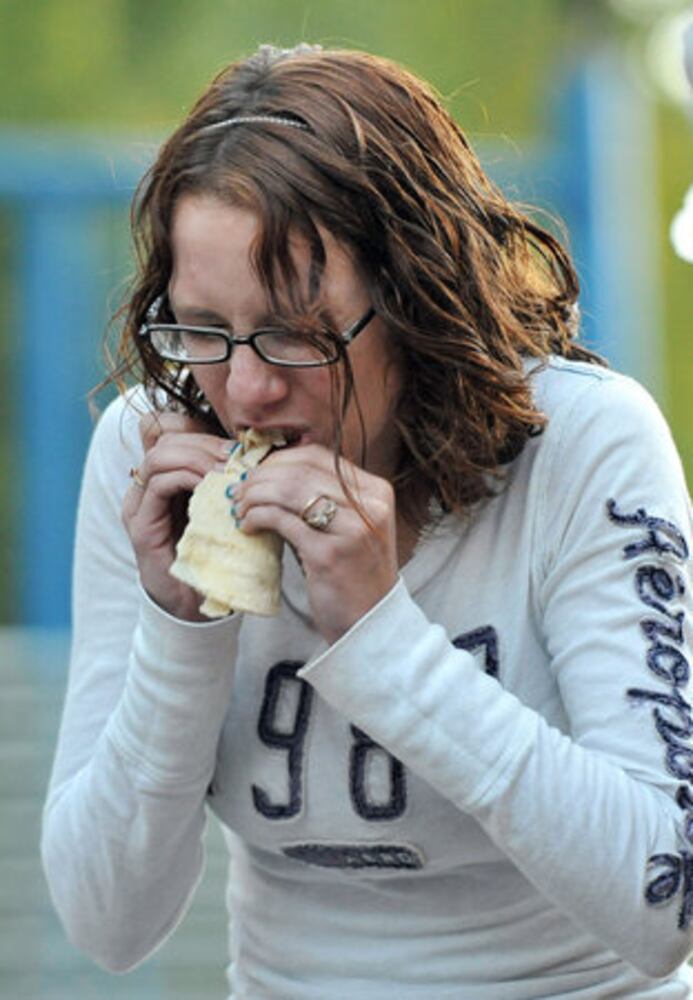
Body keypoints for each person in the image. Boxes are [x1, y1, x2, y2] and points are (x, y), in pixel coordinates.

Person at [41, 43, 693, 999]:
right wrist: (180, 626)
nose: (247, 390)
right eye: (203, 330)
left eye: (297, 333)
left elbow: (664, 908)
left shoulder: (584, 442)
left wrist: (383, 638)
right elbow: (109, 925)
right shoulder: (150, 455)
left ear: (419, 302)